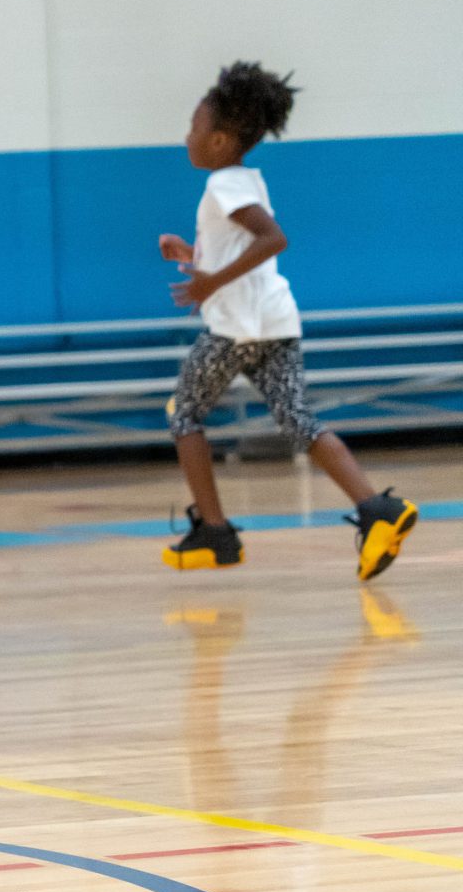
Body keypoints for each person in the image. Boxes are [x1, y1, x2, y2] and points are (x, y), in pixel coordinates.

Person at [159, 62, 418, 579]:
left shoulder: (223, 187)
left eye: (194, 127)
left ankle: (215, 533)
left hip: (238, 330)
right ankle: (378, 511)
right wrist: (192, 256)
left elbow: (273, 239)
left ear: (220, 141)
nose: (187, 136)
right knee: (297, 418)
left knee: (183, 414)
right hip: (275, 323)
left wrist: (207, 283)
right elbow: (243, 249)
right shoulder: (244, 179)